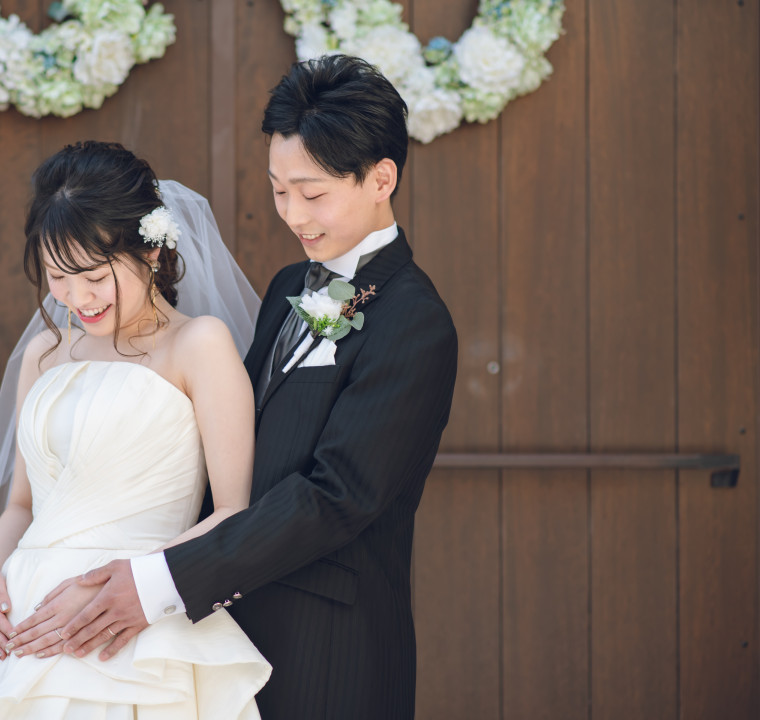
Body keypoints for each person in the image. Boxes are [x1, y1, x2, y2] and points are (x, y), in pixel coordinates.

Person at [29, 55, 459, 719]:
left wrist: (163, 580)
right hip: (224, 629)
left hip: (327, 647)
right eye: (278, 189)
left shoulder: (414, 319)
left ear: (382, 178)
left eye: (312, 194)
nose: (292, 213)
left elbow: (336, 497)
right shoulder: (292, 286)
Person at [0, 141, 271, 719]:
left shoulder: (198, 344)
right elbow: (21, 503)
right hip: (24, 625)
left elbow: (232, 511)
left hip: (128, 620)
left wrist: (130, 585)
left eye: (94, 275)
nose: (76, 298)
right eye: (58, 277)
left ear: (152, 252)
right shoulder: (44, 352)